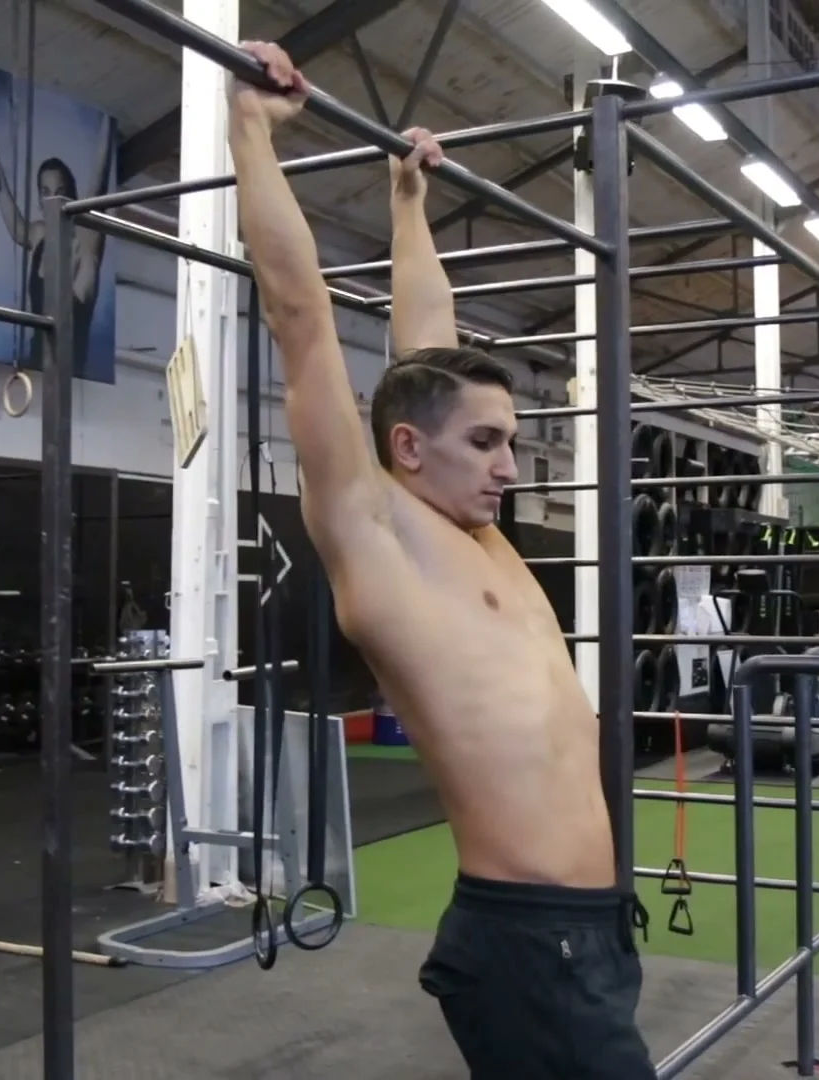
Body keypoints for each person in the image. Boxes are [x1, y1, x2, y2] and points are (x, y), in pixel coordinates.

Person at [226, 42, 656, 1080]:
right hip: (527, 940)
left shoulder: (479, 528)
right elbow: (301, 319)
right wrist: (247, 129)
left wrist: (407, 201)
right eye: (488, 444)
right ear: (408, 451)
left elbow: (428, 341)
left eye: (511, 441)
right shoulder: (376, 536)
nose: (511, 466)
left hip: (591, 929)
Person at [0, 124, 112, 370]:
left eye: (60, 192)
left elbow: (98, 183)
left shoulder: (85, 239)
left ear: (72, 197)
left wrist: (107, 122)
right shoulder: (40, 235)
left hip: (66, 374)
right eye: (46, 193)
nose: (53, 200)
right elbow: (17, 227)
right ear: (39, 200)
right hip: (35, 366)